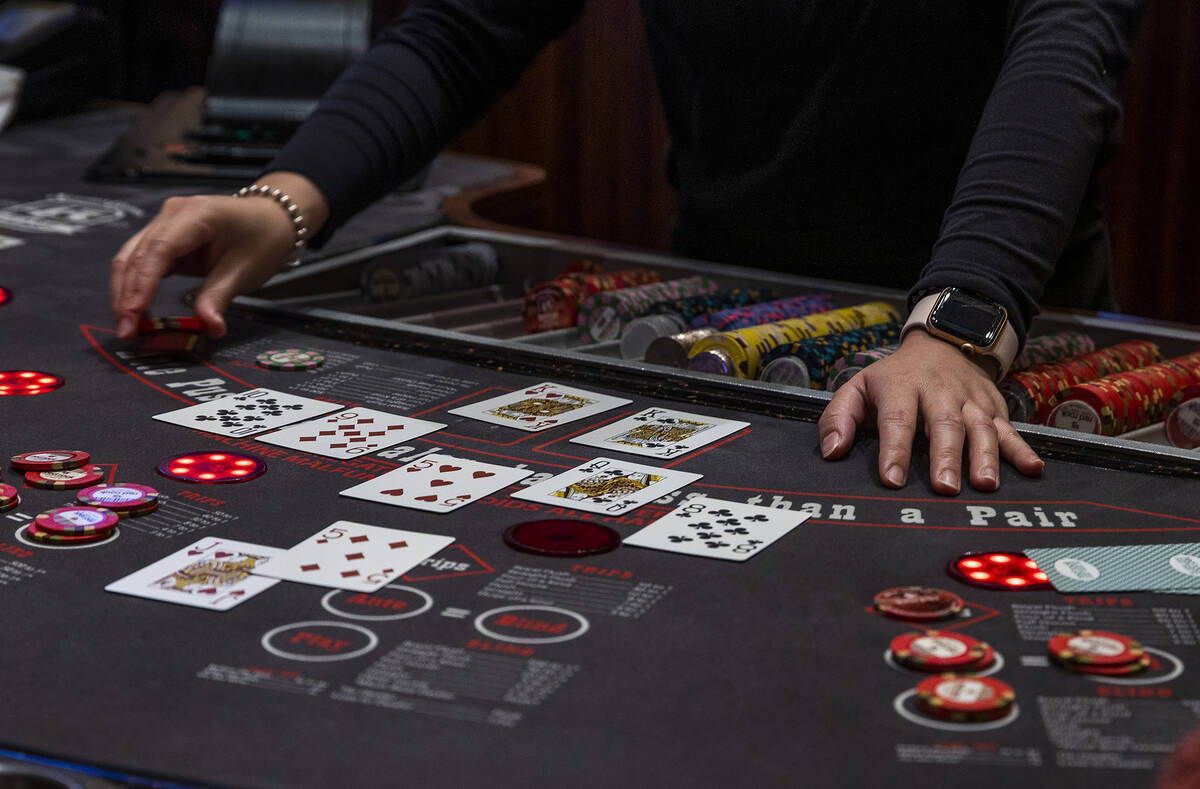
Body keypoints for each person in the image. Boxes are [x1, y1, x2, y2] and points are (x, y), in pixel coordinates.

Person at [109, 0, 1142, 496]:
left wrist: (958, 326)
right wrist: (285, 201)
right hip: (737, 323)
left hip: (985, 328)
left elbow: (1068, 36)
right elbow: (463, 31)